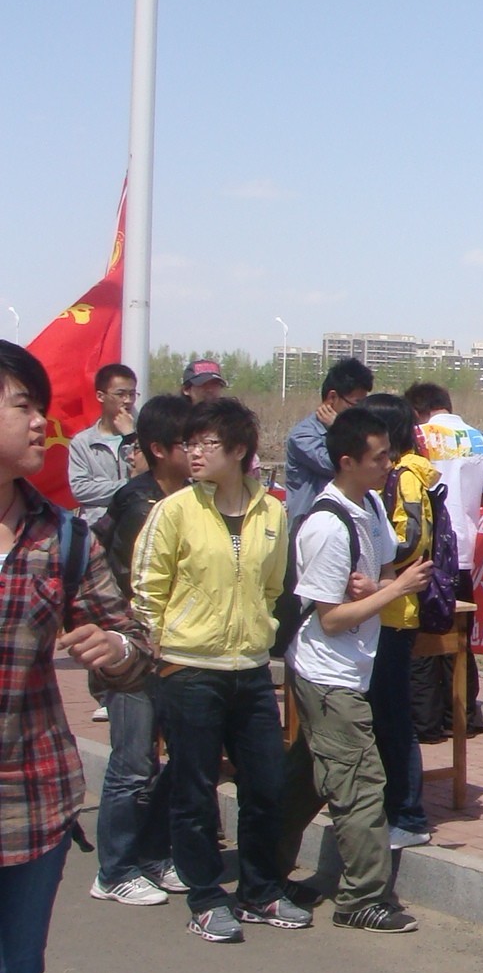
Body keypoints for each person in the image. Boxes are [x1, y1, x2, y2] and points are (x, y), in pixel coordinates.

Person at [0, 342, 151, 973]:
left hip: (29, 805)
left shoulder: (62, 537)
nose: (41, 422)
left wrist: (116, 651)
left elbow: (133, 643)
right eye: (22, 405)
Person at [131, 396, 299, 941]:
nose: (195, 453)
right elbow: (148, 586)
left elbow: (273, 586)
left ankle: (260, 891)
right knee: (195, 789)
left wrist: (261, 632)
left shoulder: (272, 512)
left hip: (249, 667)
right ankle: (205, 897)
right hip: (189, 668)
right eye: (191, 443)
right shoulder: (175, 509)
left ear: (240, 450)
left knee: (266, 785)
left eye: (208, 443)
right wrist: (162, 650)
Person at [285, 406, 429, 933]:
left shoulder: (368, 504)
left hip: (353, 668)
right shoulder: (327, 525)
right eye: (379, 458)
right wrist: (394, 590)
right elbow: (331, 619)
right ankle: (362, 898)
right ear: (347, 461)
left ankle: (264, 869)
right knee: (362, 784)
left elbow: (382, 570)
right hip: (328, 673)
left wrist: (379, 585)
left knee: (308, 779)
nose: (389, 466)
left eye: (390, 455)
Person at [88, 393, 191, 906]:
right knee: (133, 763)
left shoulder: (192, 498)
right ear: (159, 449)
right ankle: (114, 870)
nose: (198, 451)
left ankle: (152, 854)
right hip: (132, 652)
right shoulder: (140, 505)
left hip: (177, 650)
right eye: (188, 443)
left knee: (181, 756)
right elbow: (131, 588)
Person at [405, 380, 483, 740]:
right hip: (463, 552)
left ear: (417, 410)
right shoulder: (479, 439)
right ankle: (461, 716)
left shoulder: (416, 435)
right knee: (460, 639)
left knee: (423, 639)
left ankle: (425, 723)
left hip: (424, 551)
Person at [362, 393, 434, 849]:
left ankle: (408, 815)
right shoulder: (392, 475)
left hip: (393, 611)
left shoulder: (405, 475)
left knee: (393, 717)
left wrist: (375, 573)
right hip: (379, 608)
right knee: (381, 715)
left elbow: (411, 540)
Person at [285, 359, 373, 524]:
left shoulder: (352, 431)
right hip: (310, 525)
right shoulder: (303, 436)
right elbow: (342, 466)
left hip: (345, 522)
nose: (360, 412)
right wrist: (339, 428)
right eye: (356, 405)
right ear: (332, 397)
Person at [66, 362, 137, 515]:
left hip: (134, 521)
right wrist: (128, 487)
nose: (128, 400)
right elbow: (81, 490)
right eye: (120, 394)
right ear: (100, 396)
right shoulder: (83, 442)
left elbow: (150, 478)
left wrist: (130, 436)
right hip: (96, 525)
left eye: (132, 394)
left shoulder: (141, 437)